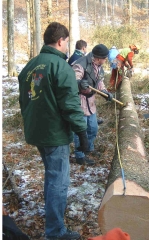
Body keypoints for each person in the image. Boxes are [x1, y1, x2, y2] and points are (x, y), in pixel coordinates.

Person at [18, 22, 88, 240]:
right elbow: (70, 104)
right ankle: (55, 232)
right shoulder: (61, 67)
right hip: (54, 134)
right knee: (58, 181)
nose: (67, 46)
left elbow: (24, 101)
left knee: (51, 175)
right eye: (67, 42)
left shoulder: (30, 66)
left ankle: (52, 218)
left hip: (37, 132)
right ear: (61, 41)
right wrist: (82, 134)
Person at [72, 44, 113, 165]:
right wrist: (79, 83)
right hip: (79, 102)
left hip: (91, 103)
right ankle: (80, 155)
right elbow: (73, 78)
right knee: (81, 131)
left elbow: (99, 82)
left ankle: (88, 148)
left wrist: (105, 92)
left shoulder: (99, 67)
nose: (105, 60)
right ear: (99, 57)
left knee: (93, 128)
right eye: (104, 58)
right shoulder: (81, 63)